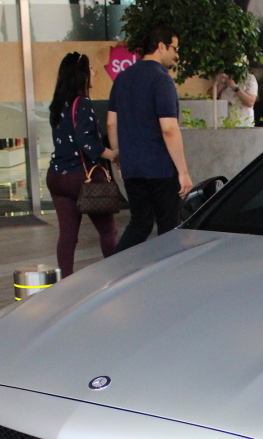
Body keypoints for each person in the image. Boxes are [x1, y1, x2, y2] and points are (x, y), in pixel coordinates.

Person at [108, 25, 193, 253]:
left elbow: (111, 122)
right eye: (175, 48)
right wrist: (183, 172)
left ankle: (116, 270)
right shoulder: (161, 79)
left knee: (140, 223)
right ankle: (167, 280)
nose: (177, 54)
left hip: (133, 167)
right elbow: (169, 129)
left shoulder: (122, 78)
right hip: (160, 168)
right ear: (161, 46)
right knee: (169, 226)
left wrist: (118, 156)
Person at [46, 52, 119, 275]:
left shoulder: (57, 104)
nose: (94, 72)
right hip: (82, 176)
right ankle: (117, 275)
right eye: (90, 69)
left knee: (67, 236)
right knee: (108, 231)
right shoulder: (83, 103)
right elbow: (86, 142)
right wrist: (113, 155)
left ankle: (65, 282)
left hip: (56, 177)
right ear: (81, 75)